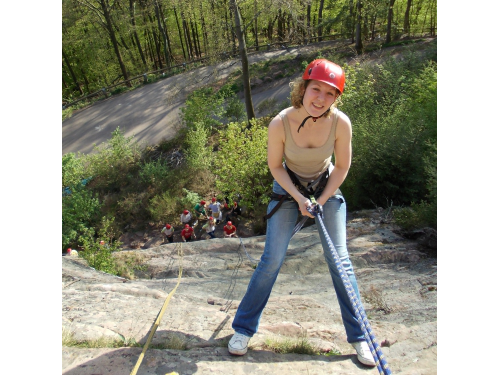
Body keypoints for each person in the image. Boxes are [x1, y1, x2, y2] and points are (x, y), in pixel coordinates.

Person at [227, 59, 376, 367]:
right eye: (315, 89)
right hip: (287, 188)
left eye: (329, 93)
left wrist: (320, 198)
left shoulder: (341, 123)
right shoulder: (281, 122)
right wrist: (297, 198)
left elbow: (343, 166)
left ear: (336, 98)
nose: (320, 98)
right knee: (272, 259)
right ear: (303, 88)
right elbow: (275, 166)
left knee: (341, 261)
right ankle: (243, 329)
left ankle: (360, 336)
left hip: (325, 185)